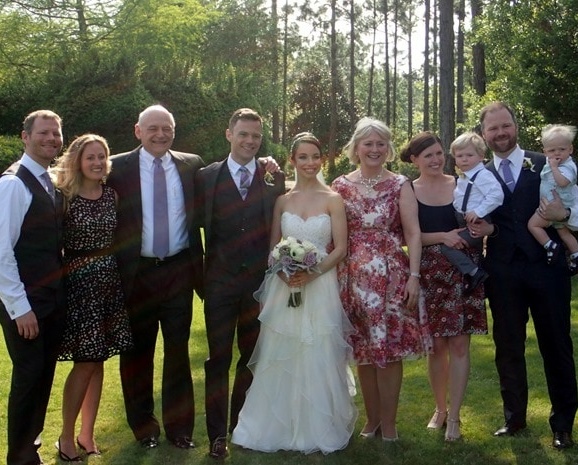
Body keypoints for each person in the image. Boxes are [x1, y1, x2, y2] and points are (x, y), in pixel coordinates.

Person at [231, 132, 357, 454]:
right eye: (303, 157)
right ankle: (277, 424)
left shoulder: (333, 199)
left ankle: (316, 425)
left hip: (320, 285)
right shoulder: (282, 201)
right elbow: (273, 246)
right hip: (285, 285)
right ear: (293, 160)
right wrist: (283, 271)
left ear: (322, 159)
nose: (310, 163)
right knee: (282, 351)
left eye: (315, 156)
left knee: (316, 349)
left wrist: (311, 273)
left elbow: (340, 248)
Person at [473, 101, 577, 449]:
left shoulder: (548, 162)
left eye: (506, 125)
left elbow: (573, 201)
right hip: (502, 272)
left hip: (548, 269)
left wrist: (565, 215)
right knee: (508, 347)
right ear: (483, 134)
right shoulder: (479, 173)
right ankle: (514, 418)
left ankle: (563, 425)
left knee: (557, 345)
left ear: (515, 126)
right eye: (493, 128)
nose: (500, 132)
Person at [106, 105, 205, 450]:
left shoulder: (192, 165)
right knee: (137, 353)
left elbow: (224, 181)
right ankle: (144, 426)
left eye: (167, 128)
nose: (160, 134)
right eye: (153, 128)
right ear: (138, 131)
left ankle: (180, 429)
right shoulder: (116, 167)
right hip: (138, 275)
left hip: (179, 270)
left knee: (178, 351)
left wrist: (266, 167)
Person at [332, 117, 432, 442]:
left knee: (388, 351)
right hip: (351, 278)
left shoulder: (400, 184)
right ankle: (372, 420)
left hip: (391, 279)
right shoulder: (340, 185)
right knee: (363, 351)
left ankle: (389, 423)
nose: (374, 149)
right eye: (368, 143)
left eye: (380, 143)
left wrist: (414, 276)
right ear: (356, 147)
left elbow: (413, 233)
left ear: (388, 148)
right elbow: (332, 234)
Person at [196, 108, 286, 459]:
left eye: (256, 136)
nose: (250, 141)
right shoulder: (206, 177)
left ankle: (241, 426)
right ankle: (217, 435)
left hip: (258, 285)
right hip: (219, 283)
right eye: (244, 134)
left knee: (251, 358)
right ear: (229, 134)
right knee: (217, 358)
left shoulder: (273, 177)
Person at [399, 131, 488, 442]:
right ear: (415, 160)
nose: (436, 160)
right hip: (430, 274)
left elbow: (481, 222)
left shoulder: (461, 183)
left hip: (464, 272)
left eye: (439, 153)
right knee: (436, 347)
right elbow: (410, 236)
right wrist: (443, 236)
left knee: (460, 345)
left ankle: (455, 416)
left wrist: (476, 233)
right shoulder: (409, 189)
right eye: (428, 156)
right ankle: (439, 409)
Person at [52, 134, 133, 461]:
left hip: (108, 283)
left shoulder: (111, 194)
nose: (98, 162)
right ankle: (65, 436)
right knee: (85, 363)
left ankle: (87, 434)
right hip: (79, 287)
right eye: (91, 157)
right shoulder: (64, 198)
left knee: (97, 362)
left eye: (102, 156)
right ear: (78, 161)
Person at [0, 110, 66, 465]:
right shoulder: (13, 184)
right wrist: (19, 308)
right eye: (43, 133)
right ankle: (19, 457)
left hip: (50, 299)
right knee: (28, 379)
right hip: (26, 304)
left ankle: (31, 449)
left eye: (56, 133)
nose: (51, 139)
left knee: (42, 376)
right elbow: (1, 252)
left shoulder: (48, 180)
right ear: (25, 137)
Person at [441, 132, 503, 294]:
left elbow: (497, 195)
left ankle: (475, 273)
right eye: (460, 156)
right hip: (462, 219)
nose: (464, 159)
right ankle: (480, 279)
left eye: (469, 155)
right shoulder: (464, 177)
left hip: (476, 222)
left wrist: (479, 211)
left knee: (448, 247)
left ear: (481, 156)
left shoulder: (483, 176)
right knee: (473, 251)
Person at [527, 124, 578, 271]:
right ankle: (576, 254)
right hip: (552, 204)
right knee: (564, 233)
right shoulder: (550, 163)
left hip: (553, 206)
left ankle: (550, 245)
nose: (557, 154)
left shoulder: (568, 167)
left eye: (562, 149)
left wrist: (554, 168)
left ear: (570, 149)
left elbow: (563, 182)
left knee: (533, 225)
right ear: (545, 152)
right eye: (552, 150)